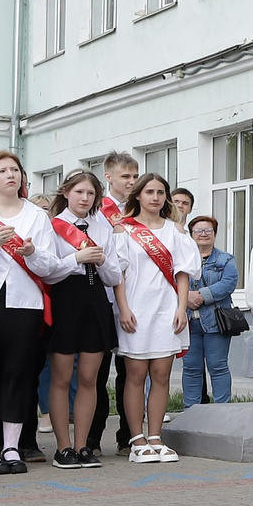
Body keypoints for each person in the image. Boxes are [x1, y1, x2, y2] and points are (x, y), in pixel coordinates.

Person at [0, 150, 75, 476]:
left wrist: (33, 252)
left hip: (25, 303)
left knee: (18, 373)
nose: (11, 175)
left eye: (15, 170)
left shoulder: (37, 217)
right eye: (3, 170)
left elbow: (51, 268)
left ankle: (11, 445)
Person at [107, 172, 196, 462]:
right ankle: (136, 439)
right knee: (135, 375)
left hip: (167, 310)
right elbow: (117, 273)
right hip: (135, 309)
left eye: (160, 192)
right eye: (149, 192)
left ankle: (156, 436)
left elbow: (182, 273)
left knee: (161, 375)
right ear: (138, 196)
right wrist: (123, 308)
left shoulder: (175, 231)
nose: (155, 197)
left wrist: (181, 307)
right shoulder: (124, 230)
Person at [43, 171, 115, 467]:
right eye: (79, 192)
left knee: (89, 378)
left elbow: (114, 276)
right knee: (61, 377)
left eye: (90, 194)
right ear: (66, 193)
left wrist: (102, 262)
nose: (85, 198)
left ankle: (83, 445)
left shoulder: (103, 226)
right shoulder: (53, 225)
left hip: (95, 298)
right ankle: (63, 447)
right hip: (65, 298)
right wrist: (76, 258)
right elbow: (47, 270)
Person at [86, 151, 141, 456]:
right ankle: (92, 437)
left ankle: (128, 434)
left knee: (130, 370)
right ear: (108, 177)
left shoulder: (140, 209)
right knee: (97, 371)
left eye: (135, 176)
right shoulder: (98, 210)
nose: (131, 182)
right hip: (105, 297)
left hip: (135, 298)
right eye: (125, 176)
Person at [182, 214, 239, 406]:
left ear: (215, 234)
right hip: (188, 322)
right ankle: (190, 412)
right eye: (198, 231)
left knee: (218, 366)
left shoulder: (225, 259)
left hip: (216, 322)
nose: (203, 234)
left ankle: (222, 412)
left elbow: (228, 284)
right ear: (191, 235)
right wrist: (185, 297)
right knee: (191, 368)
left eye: (208, 230)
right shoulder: (182, 259)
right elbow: (171, 282)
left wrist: (201, 296)